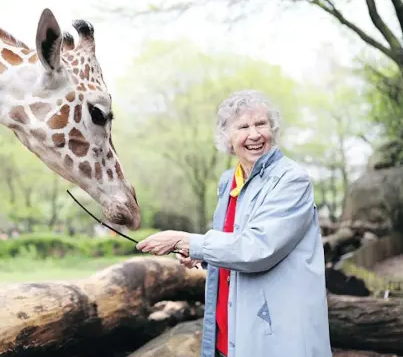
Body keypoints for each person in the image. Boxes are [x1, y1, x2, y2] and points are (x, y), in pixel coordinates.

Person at [136, 90, 331, 357]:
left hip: (273, 335)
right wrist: (202, 257)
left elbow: (257, 248)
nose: (254, 134)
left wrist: (187, 241)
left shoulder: (291, 180)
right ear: (227, 137)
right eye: (243, 127)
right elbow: (232, 241)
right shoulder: (229, 181)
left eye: (261, 123)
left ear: (272, 128)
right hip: (227, 329)